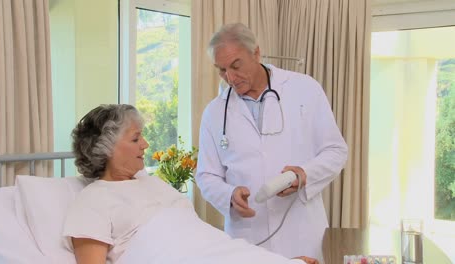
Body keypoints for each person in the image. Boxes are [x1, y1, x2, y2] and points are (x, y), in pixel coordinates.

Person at [62, 104, 317, 264]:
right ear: (107, 149)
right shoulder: (94, 199)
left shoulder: (153, 184)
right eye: (136, 139)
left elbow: (197, 236)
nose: (146, 145)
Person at [195, 23, 348, 262]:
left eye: (236, 66)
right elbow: (206, 175)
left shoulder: (304, 88)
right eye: (222, 70)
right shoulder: (214, 112)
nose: (230, 78)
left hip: (301, 230)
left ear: (256, 53)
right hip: (247, 237)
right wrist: (229, 195)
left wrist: (304, 174)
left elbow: (336, 151)